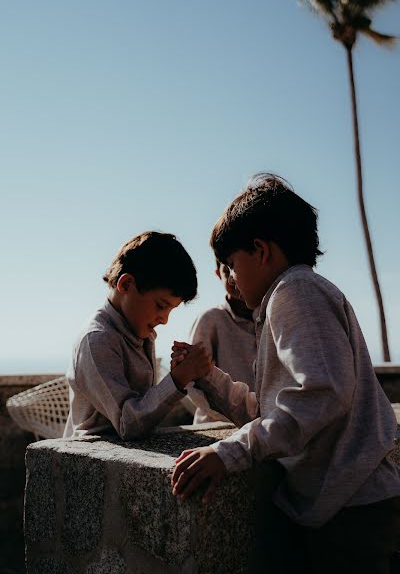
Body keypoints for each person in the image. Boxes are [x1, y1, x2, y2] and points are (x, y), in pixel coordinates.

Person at [171, 175, 400, 573]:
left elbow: (321, 394)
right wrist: (211, 377)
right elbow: (274, 411)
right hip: (342, 506)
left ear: (260, 251)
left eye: (232, 265)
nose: (232, 280)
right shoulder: (294, 293)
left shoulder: (295, 293)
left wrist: (231, 450)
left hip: (351, 510)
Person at [64, 231, 211, 440]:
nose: (165, 319)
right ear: (126, 285)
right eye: (161, 306)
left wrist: (180, 372)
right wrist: (177, 380)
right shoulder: (98, 339)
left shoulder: (140, 333)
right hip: (92, 456)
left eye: (171, 310)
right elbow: (128, 423)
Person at [187, 259, 257, 424]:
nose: (233, 278)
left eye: (238, 269)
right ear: (219, 274)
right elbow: (192, 381)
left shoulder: (270, 317)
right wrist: (235, 416)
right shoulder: (211, 320)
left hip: (261, 426)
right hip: (217, 424)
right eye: (227, 271)